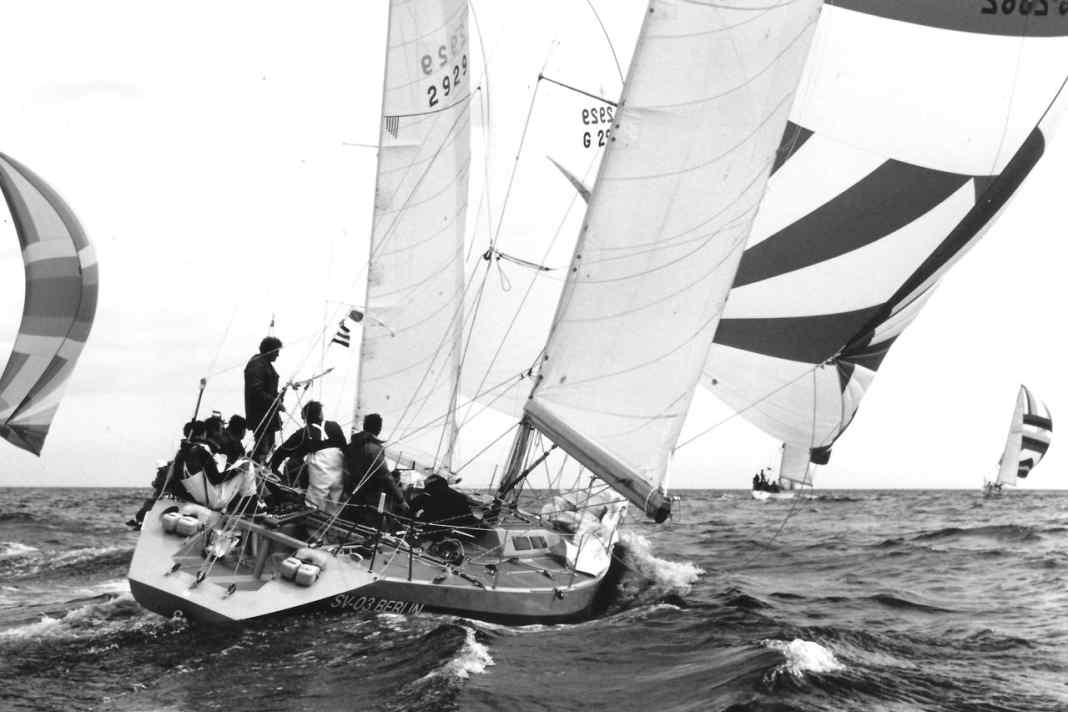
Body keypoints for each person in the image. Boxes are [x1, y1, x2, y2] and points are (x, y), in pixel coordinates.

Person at [269, 401, 347, 511]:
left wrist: (272, 468)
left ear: (305, 418)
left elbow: (282, 451)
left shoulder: (304, 433)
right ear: (320, 414)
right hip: (338, 476)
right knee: (334, 505)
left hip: (321, 479)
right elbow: (345, 449)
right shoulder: (334, 426)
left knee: (314, 505)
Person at [344, 413, 409, 521]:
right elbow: (385, 476)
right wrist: (401, 500)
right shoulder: (373, 448)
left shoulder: (353, 444)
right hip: (370, 497)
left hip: (352, 491)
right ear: (379, 428)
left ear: (364, 426)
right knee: (374, 519)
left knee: (353, 517)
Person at [178, 420, 251, 510]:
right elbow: (216, 479)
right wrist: (237, 470)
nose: (223, 431)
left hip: (195, 496)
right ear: (204, 433)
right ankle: (250, 506)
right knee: (247, 464)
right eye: (222, 429)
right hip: (212, 501)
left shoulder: (182, 452)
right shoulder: (202, 451)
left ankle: (248, 504)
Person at [245, 336, 284, 462]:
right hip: (261, 416)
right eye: (277, 351)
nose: (278, 354)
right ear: (270, 350)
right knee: (263, 448)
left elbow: (267, 389)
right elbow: (256, 391)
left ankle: (260, 472)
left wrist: (278, 396)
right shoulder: (257, 365)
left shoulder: (264, 364)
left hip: (267, 416)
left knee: (268, 447)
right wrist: (276, 402)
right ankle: (255, 473)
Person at [410, 474, 479, 531]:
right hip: (469, 527)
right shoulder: (456, 494)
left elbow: (412, 512)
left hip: (445, 529)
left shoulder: (426, 496)